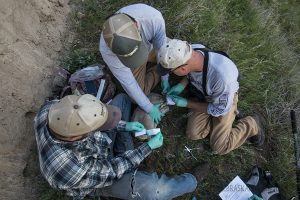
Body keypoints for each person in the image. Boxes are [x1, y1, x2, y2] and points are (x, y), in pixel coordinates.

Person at [34, 93, 209, 200]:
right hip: (97, 180)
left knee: (121, 101)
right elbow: (112, 170)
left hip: (96, 151)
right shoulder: (69, 169)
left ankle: (125, 148)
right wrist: (148, 147)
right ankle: (190, 181)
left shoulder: (53, 109)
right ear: (75, 137)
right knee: (155, 190)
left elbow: (92, 122)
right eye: (96, 127)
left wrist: (124, 126)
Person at [157, 39, 265, 155]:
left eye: (171, 72)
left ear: (182, 69)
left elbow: (219, 109)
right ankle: (222, 120)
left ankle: (251, 124)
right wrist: (181, 85)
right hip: (205, 94)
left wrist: (187, 103)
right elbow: (190, 73)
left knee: (219, 146)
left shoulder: (222, 80)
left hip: (222, 101)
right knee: (194, 133)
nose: (171, 74)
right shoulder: (189, 51)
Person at [99, 3, 170, 125]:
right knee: (137, 95)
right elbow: (129, 82)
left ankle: (163, 68)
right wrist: (149, 107)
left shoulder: (153, 19)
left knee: (171, 56)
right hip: (132, 62)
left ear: (136, 25)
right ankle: (156, 71)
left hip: (151, 47)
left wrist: (165, 77)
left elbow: (161, 50)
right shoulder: (107, 50)